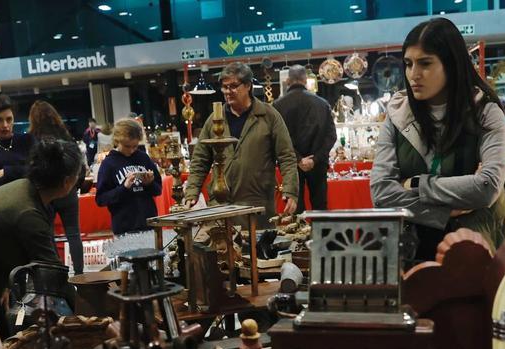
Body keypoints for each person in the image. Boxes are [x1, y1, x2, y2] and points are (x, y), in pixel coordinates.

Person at [369, 17, 505, 262]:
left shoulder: (485, 112)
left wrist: (416, 184)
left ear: (451, 64)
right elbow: (381, 193)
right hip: (415, 250)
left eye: (425, 63)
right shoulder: (398, 113)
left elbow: (487, 186)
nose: (413, 74)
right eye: (408, 63)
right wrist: (444, 211)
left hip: (477, 246)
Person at [0, 137, 82, 331]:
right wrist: (84, 316)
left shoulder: (27, 188)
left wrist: (4, 285)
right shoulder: (28, 212)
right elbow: (53, 274)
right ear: (67, 182)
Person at [183, 62, 299, 227]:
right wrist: (192, 193)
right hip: (220, 206)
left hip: (257, 203)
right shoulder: (214, 120)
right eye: (224, 87)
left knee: (257, 250)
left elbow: (286, 156)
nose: (227, 92)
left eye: (233, 86)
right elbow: (200, 160)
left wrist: (290, 191)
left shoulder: (268, 116)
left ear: (248, 86)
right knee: (222, 250)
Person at [29, 100, 85, 275]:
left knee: (49, 235)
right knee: (73, 233)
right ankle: (79, 274)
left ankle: (57, 274)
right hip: (68, 191)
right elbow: (80, 166)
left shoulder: (34, 141)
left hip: (47, 194)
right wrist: (75, 185)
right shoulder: (66, 136)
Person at [274, 65, 337, 210]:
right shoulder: (322, 104)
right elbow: (331, 136)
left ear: (288, 80)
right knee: (320, 207)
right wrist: (314, 159)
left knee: (295, 208)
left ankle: (298, 232)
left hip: (290, 165)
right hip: (318, 163)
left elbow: (276, 139)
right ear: (305, 80)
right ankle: (322, 233)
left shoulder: (277, 106)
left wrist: (297, 159)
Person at [95, 118, 162, 235]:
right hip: (124, 228)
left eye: (135, 146)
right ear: (117, 140)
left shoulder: (143, 158)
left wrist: (149, 184)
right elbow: (101, 199)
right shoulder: (109, 163)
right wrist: (124, 188)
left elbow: (158, 190)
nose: (131, 150)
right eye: (127, 146)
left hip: (149, 224)